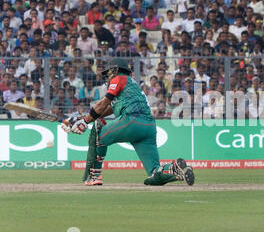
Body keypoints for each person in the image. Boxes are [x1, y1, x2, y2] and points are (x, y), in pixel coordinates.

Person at [61, 58, 194, 187]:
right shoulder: (131, 87)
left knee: (98, 126)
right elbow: (109, 109)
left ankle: (94, 176)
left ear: (116, 70)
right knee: (154, 175)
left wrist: (85, 121)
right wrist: (82, 118)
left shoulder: (119, 78)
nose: (107, 77)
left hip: (132, 121)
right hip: (149, 128)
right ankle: (174, 168)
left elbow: (104, 103)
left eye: (108, 73)